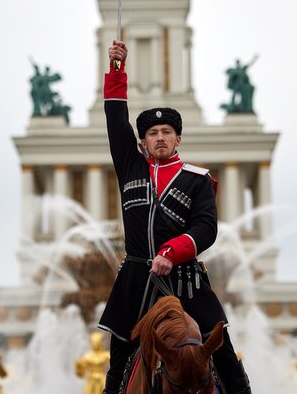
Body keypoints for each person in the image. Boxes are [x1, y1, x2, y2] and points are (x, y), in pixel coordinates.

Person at [98, 39, 252, 394]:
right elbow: (115, 119)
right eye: (153, 133)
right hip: (137, 278)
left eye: (167, 132)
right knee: (118, 359)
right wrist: (116, 70)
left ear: (178, 139)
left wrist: (172, 252)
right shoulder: (130, 167)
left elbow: (206, 228)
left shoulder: (197, 178)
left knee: (223, 349)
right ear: (143, 143)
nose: (160, 138)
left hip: (185, 279)